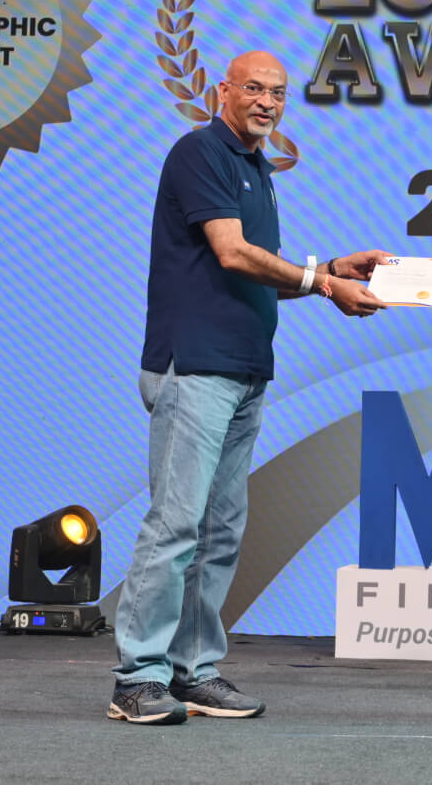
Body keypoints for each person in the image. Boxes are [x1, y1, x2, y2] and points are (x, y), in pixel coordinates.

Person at [108, 50, 387, 725]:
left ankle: (192, 671)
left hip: (244, 369)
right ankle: (137, 678)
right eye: (255, 89)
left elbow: (255, 276)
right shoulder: (200, 152)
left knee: (220, 531)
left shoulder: (257, 168)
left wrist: (329, 268)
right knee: (176, 525)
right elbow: (232, 253)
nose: (267, 102)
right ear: (222, 91)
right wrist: (324, 283)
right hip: (194, 367)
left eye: (279, 93)